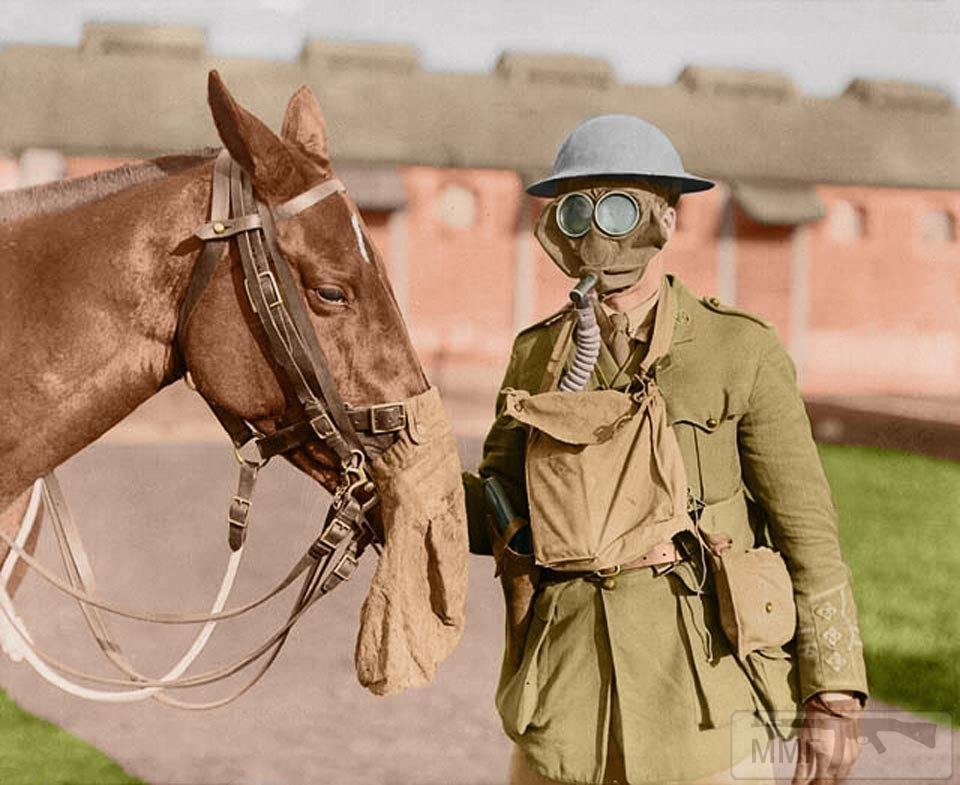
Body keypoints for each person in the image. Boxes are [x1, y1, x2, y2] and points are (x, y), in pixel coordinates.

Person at [462, 115, 868, 785]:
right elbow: (503, 508)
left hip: (705, 697)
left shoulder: (739, 350)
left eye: (618, 208)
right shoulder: (537, 355)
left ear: (666, 219)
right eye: (575, 210)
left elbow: (809, 532)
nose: (597, 233)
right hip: (570, 700)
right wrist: (399, 487)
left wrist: (834, 692)